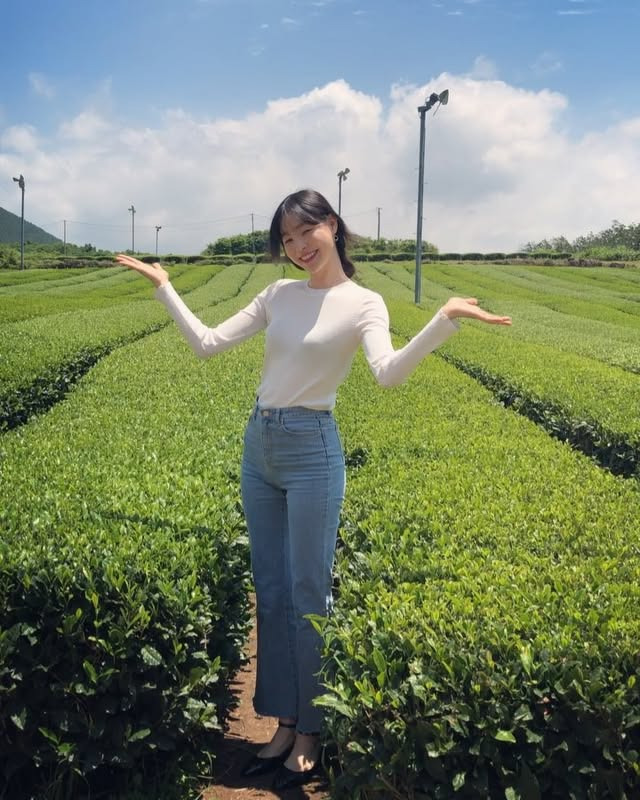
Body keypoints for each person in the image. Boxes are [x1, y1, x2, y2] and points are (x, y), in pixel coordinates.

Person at [115, 188, 511, 790]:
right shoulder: (279, 295)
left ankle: (312, 731)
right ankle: (283, 719)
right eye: (288, 238)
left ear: (333, 225)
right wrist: (165, 286)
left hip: (312, 451)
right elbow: (207, 343)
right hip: (260, 444)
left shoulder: (364, 302)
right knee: (271, 590)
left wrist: (443, 320)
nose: (299, 246)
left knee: (308, 594)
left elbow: (387, 375)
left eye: (307, 231)